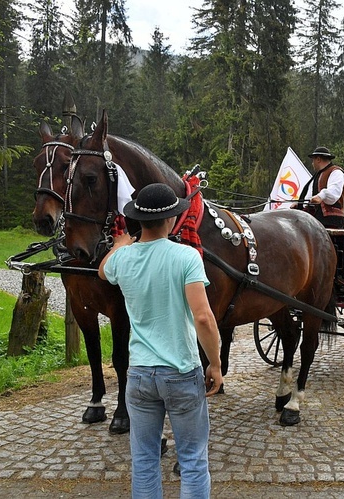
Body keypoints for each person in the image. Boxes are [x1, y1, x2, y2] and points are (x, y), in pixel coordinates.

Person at [98, 183, 223, 499]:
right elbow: (204, 318)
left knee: (144, 461)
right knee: (193, 460)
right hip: (180, 371)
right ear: (171, 219)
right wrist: (216, 363)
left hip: (139, 375)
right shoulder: (186, 257)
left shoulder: (123, 260)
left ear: (138, 220)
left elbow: (102, 271)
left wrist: (122, 243)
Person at [295, 146, 344, 228]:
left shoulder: (336, 172)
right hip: (315, 217)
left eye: (313, 160)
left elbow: (334, 192)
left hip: (330, 219)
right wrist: (300, 204)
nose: (312, 163)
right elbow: (310, 195)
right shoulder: (316, 176)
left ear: (318, 159)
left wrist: (321, 196)